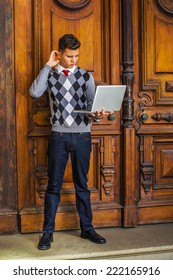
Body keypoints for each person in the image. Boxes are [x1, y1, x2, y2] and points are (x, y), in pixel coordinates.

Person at [30, 34, 107, 250]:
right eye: (69, 56)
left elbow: (93, 109)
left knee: (82, 185)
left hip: (82, 136)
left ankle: (87, 228)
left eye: (76, 56)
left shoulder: (85, 76)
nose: (74, 60)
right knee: (53, 186)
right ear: (60, 54)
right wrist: (48, 65)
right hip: (59, 136)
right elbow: (35, 92)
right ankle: (48, 233)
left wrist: (99, 115)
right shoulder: (51, 75)